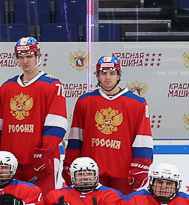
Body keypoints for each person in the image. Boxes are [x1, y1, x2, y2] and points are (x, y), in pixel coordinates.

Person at [65, 54, 153, 194]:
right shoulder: (85, 101)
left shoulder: (137, 103)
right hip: (91, 172)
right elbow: (76, 137)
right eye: (103, 73)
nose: (108, 77)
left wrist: (141, 167)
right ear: (98, 76)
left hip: (124, 173)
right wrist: (70, 163)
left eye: (112, 73)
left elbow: (143, 138)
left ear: (118, 75)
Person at [0, 36, 66, 190]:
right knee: (10, 203)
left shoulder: (52, 84)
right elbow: (0, 125)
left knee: (44, 202)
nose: (25, 61)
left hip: (40, 160)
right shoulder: (6, 87)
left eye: (29, 56)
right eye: (21, 57)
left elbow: (57, 123)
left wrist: (45, 152)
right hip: (11, 160)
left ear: (38, 56)